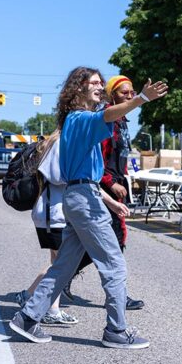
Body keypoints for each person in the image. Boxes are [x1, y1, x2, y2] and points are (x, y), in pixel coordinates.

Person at [9, 67, 167, 348]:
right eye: (93, 83)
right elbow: (109, 115)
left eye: (100, 83)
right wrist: (141, 97)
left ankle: (27, 318)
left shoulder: (76, 122)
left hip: (82, 196)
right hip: (83, 200)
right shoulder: (81, 118)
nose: (99, 86)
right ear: (77, 89)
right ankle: (116, 331)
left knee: (63, 267)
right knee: (114, 265)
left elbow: (84, 174)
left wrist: (110, 202)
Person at [62, 75, 144, 311]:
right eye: (124, 93)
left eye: (132, 92)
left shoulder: (123, 123)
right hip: (97, 187)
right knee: (113, 250)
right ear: (112, 96)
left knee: (93, 247)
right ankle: (118, 314)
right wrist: (109, 183)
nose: (129, 96)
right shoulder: (102, 120)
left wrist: (126, 178)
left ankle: (33, 306)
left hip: (109, 186)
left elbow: (121, 157)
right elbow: (96, 157)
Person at [13, 130, 81, 325]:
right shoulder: (60, 142)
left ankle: (51, 308)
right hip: (54, 214)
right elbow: (56, 175)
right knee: (61, 266)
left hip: (53, 213)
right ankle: (29, 296)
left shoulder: (58, 141)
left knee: (58, 263)